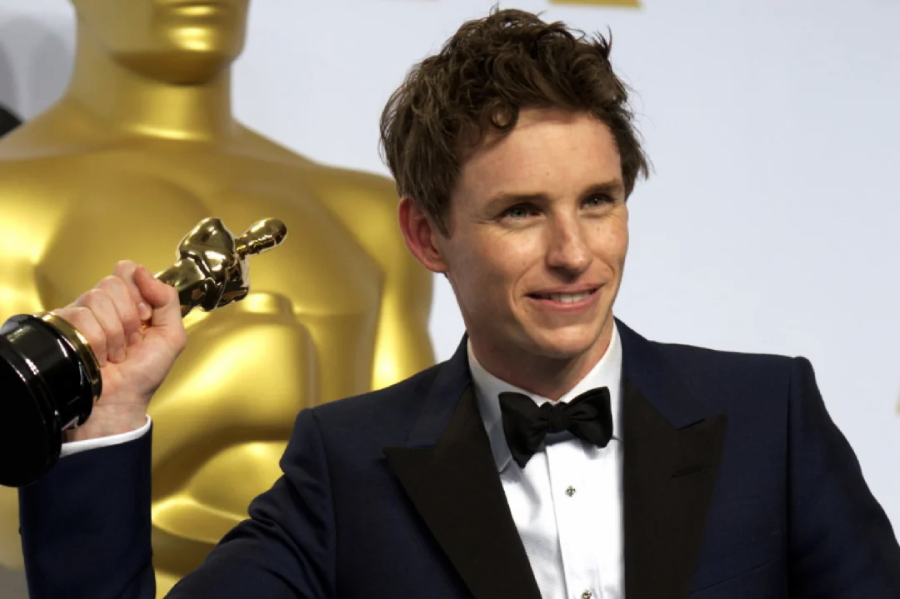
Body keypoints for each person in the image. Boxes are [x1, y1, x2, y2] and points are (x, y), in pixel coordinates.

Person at [17, 7, 900, 599]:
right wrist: (111, 419)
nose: (574, 253)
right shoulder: (346, 467)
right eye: (521, 211)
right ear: (427, 235)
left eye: (598, 200)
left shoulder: (769, 419)